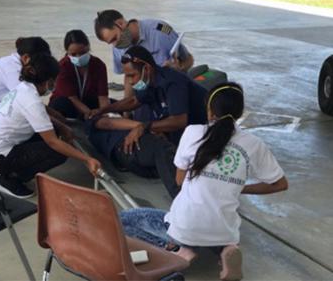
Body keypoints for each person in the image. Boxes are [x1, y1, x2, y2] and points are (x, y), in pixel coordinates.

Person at [119, 82, 289, 281]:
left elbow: (180, 180)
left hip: (186, 225)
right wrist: (239, 187)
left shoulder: (193, 133)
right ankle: (226, 249)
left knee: (124, 219)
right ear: (240, 112)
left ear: (209, 110)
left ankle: (177, 250)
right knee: (217, 223)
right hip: (225, 230)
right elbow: (280, 184)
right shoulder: (253, 144)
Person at [88, 46, 207, 197]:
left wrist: (144, 126)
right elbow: (133, 101)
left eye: (132, 75)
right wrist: (104, 110)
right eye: (127, 77)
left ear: (147, 69)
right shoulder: (149, 81)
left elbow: (179, 121)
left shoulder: (173, 82)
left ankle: (183, 198)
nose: (130, 82)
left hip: (200, 132)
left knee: (167, 153)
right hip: (181, 132)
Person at [0, 53, 101, 199]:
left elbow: (41, 114)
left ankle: (11, 171)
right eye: (54, 82)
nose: (54, 86)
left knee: (54, 130)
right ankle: (10, 179)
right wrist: (87, 159)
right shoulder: (30, 100)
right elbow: (53, 142)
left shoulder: (24, 88)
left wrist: (62, 126)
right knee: (58, 151)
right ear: (49, 81)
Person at [94, 9, 194, 76]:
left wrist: (180, 68)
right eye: (111, 42)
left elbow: (189, 59)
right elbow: (128, 77)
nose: (115, 45)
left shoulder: (161, 31)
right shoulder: (118, 47)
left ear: (121, 23)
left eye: (115, 38)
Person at [49, 30, 111, 119]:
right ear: (67, 52)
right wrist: (91, 114)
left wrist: (105, 113)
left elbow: (103, 96)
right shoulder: (63, 67)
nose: (78, 57)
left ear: (88, 47)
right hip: (68, 104)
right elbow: (72, 98)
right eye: (73, 54)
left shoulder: (98, 65)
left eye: (82, 53)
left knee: (116, 105)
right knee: (61, 103)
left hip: (88, 101)